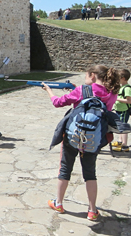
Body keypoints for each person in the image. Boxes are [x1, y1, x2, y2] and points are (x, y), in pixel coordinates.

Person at [42, 65, 120, 221]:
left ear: (92, 75)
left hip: (73, 137)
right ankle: (92, 210)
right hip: (94, 139)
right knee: (90, 173)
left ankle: (59, 203)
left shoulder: (81, 91)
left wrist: (49, 90)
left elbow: (57, 102)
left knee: (65, 169)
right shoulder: (112, 94)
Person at [112, 69, 131, 152]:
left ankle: (125, 145)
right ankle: (120, 141)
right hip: (119, 109)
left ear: (123, 78)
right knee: (120, 126)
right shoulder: (121, 87)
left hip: (124, 110)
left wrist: (117, 99)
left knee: (123, 127)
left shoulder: (127, 88)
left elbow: (129, 101)